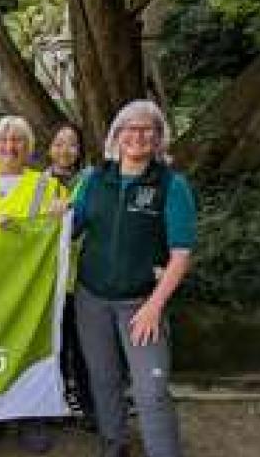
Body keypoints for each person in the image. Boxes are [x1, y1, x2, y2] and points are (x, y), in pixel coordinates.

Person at [72, 100, 196, 457]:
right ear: (116, 135)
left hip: (142, 303)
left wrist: (155, 306)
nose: (138, 136)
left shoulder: (171, 185)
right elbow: (71, 227)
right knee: (104, 378)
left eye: (148, 130)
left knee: (151, 388)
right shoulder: (94, 180)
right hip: (91, 299)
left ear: (158, 139)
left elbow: (181, 254)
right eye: (130, 128)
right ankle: (114, 444)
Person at [0, 116, 67, 454]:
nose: (9, 147)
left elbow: (62, 233)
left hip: (30, 286)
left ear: (28, 148)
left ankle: (32, 417)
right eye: (3, 141)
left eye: (17, 141)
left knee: (29, 349)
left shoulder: (47, 186)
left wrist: (61, 214)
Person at [47, 122, 95, 430]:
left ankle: (90, 407)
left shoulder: (91, 181)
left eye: (72, 144)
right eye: (59, 143)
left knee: (86, 347)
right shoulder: (39, 183)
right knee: (56, 345)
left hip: (85, 277)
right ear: (50, 148)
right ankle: (57, 403)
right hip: (51, 280)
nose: (65, 150)